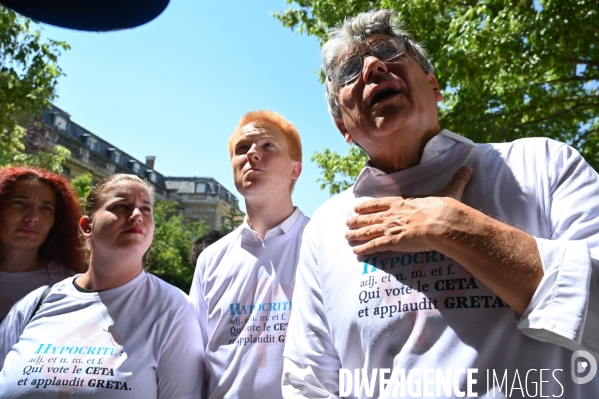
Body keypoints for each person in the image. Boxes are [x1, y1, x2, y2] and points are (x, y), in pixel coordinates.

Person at [282, 9, 599, 398]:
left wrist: (450, 224)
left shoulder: (545, 166)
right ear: (342, 127)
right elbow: (308, 382)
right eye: (349, 70)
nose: (374, 66)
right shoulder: (326, 227)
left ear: (434, 86)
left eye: (389, 50)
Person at [0, 174, 204, 398]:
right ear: (87, 226)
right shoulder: (34, 304)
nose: (136, 215)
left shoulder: (174, 309)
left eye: (146, 209)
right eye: (121, 206)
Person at [190, 110, 310, 399]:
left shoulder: (323, 242)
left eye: (268, 146)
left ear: (296, 170)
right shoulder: (211, 259)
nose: (252, 154)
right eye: (242, 149)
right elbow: (193, 358)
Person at [0, 166, 84, 322]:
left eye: (46, 208)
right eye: (19, 203)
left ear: (56, 221)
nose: (33, 217)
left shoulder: (68, 286)